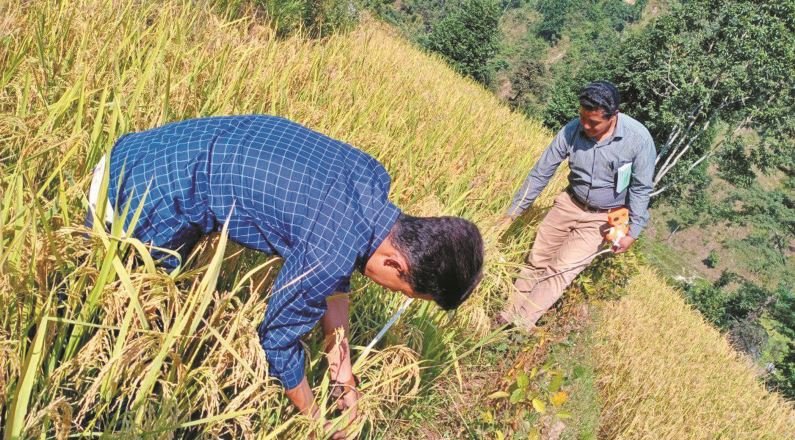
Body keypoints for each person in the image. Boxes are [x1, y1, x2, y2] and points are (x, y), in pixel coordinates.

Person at [87, 115, 484, 436]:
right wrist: (315, 422)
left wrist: (342, 375)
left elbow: (336, 275)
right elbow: (276, 341)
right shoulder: (329, 252)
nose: (397, 294)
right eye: (407, 293)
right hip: (130, 198)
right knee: (141, 325)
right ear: (398, 266)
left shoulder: (371, 176)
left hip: (149, 147)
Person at [498, 81, 655, 331]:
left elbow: (640, 188)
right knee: (537, 260)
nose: (586, 126)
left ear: (613, 117)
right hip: (568, 203)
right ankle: (507, 314)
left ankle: (518, 326)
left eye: (593, 122)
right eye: (583, 117)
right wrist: (514, 211)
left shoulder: (638, 140)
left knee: (560, 272)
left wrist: (632, 232)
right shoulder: (572, 130)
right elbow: (542, 172)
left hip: (603, 219)